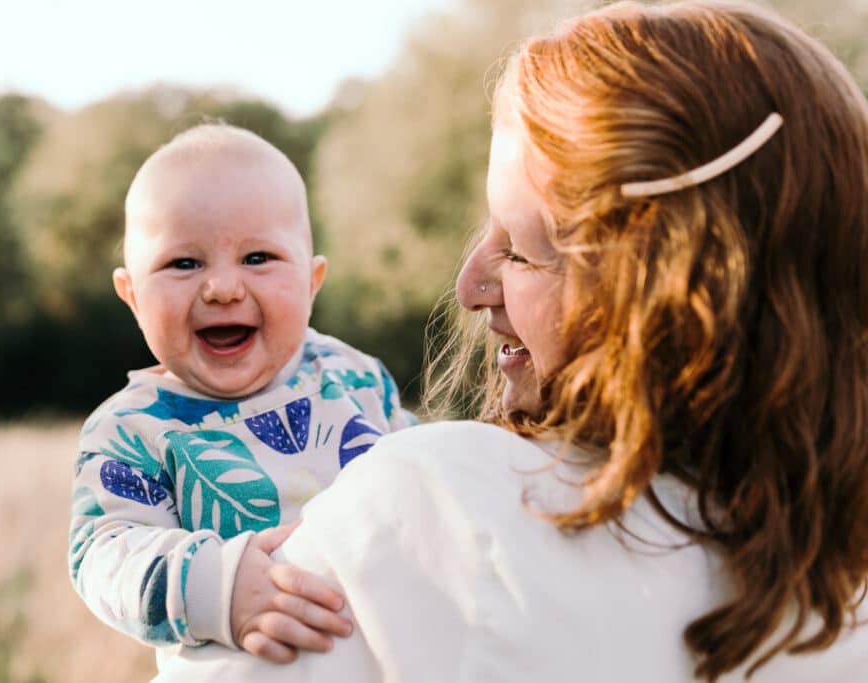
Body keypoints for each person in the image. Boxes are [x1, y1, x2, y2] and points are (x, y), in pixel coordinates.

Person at [147, 1, 868, 681]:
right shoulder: (842, 590)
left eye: (520, 251)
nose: (468, 285)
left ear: (665, 285)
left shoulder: (439, 507)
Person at [68, 124, 416, 664]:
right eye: (184, 263)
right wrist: (216, 587)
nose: (223, 288)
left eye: (258, 258)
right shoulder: (135, 430)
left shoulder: (354, 377)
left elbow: (422, 477)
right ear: (132, 294)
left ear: (311, 281)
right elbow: (102, 555)